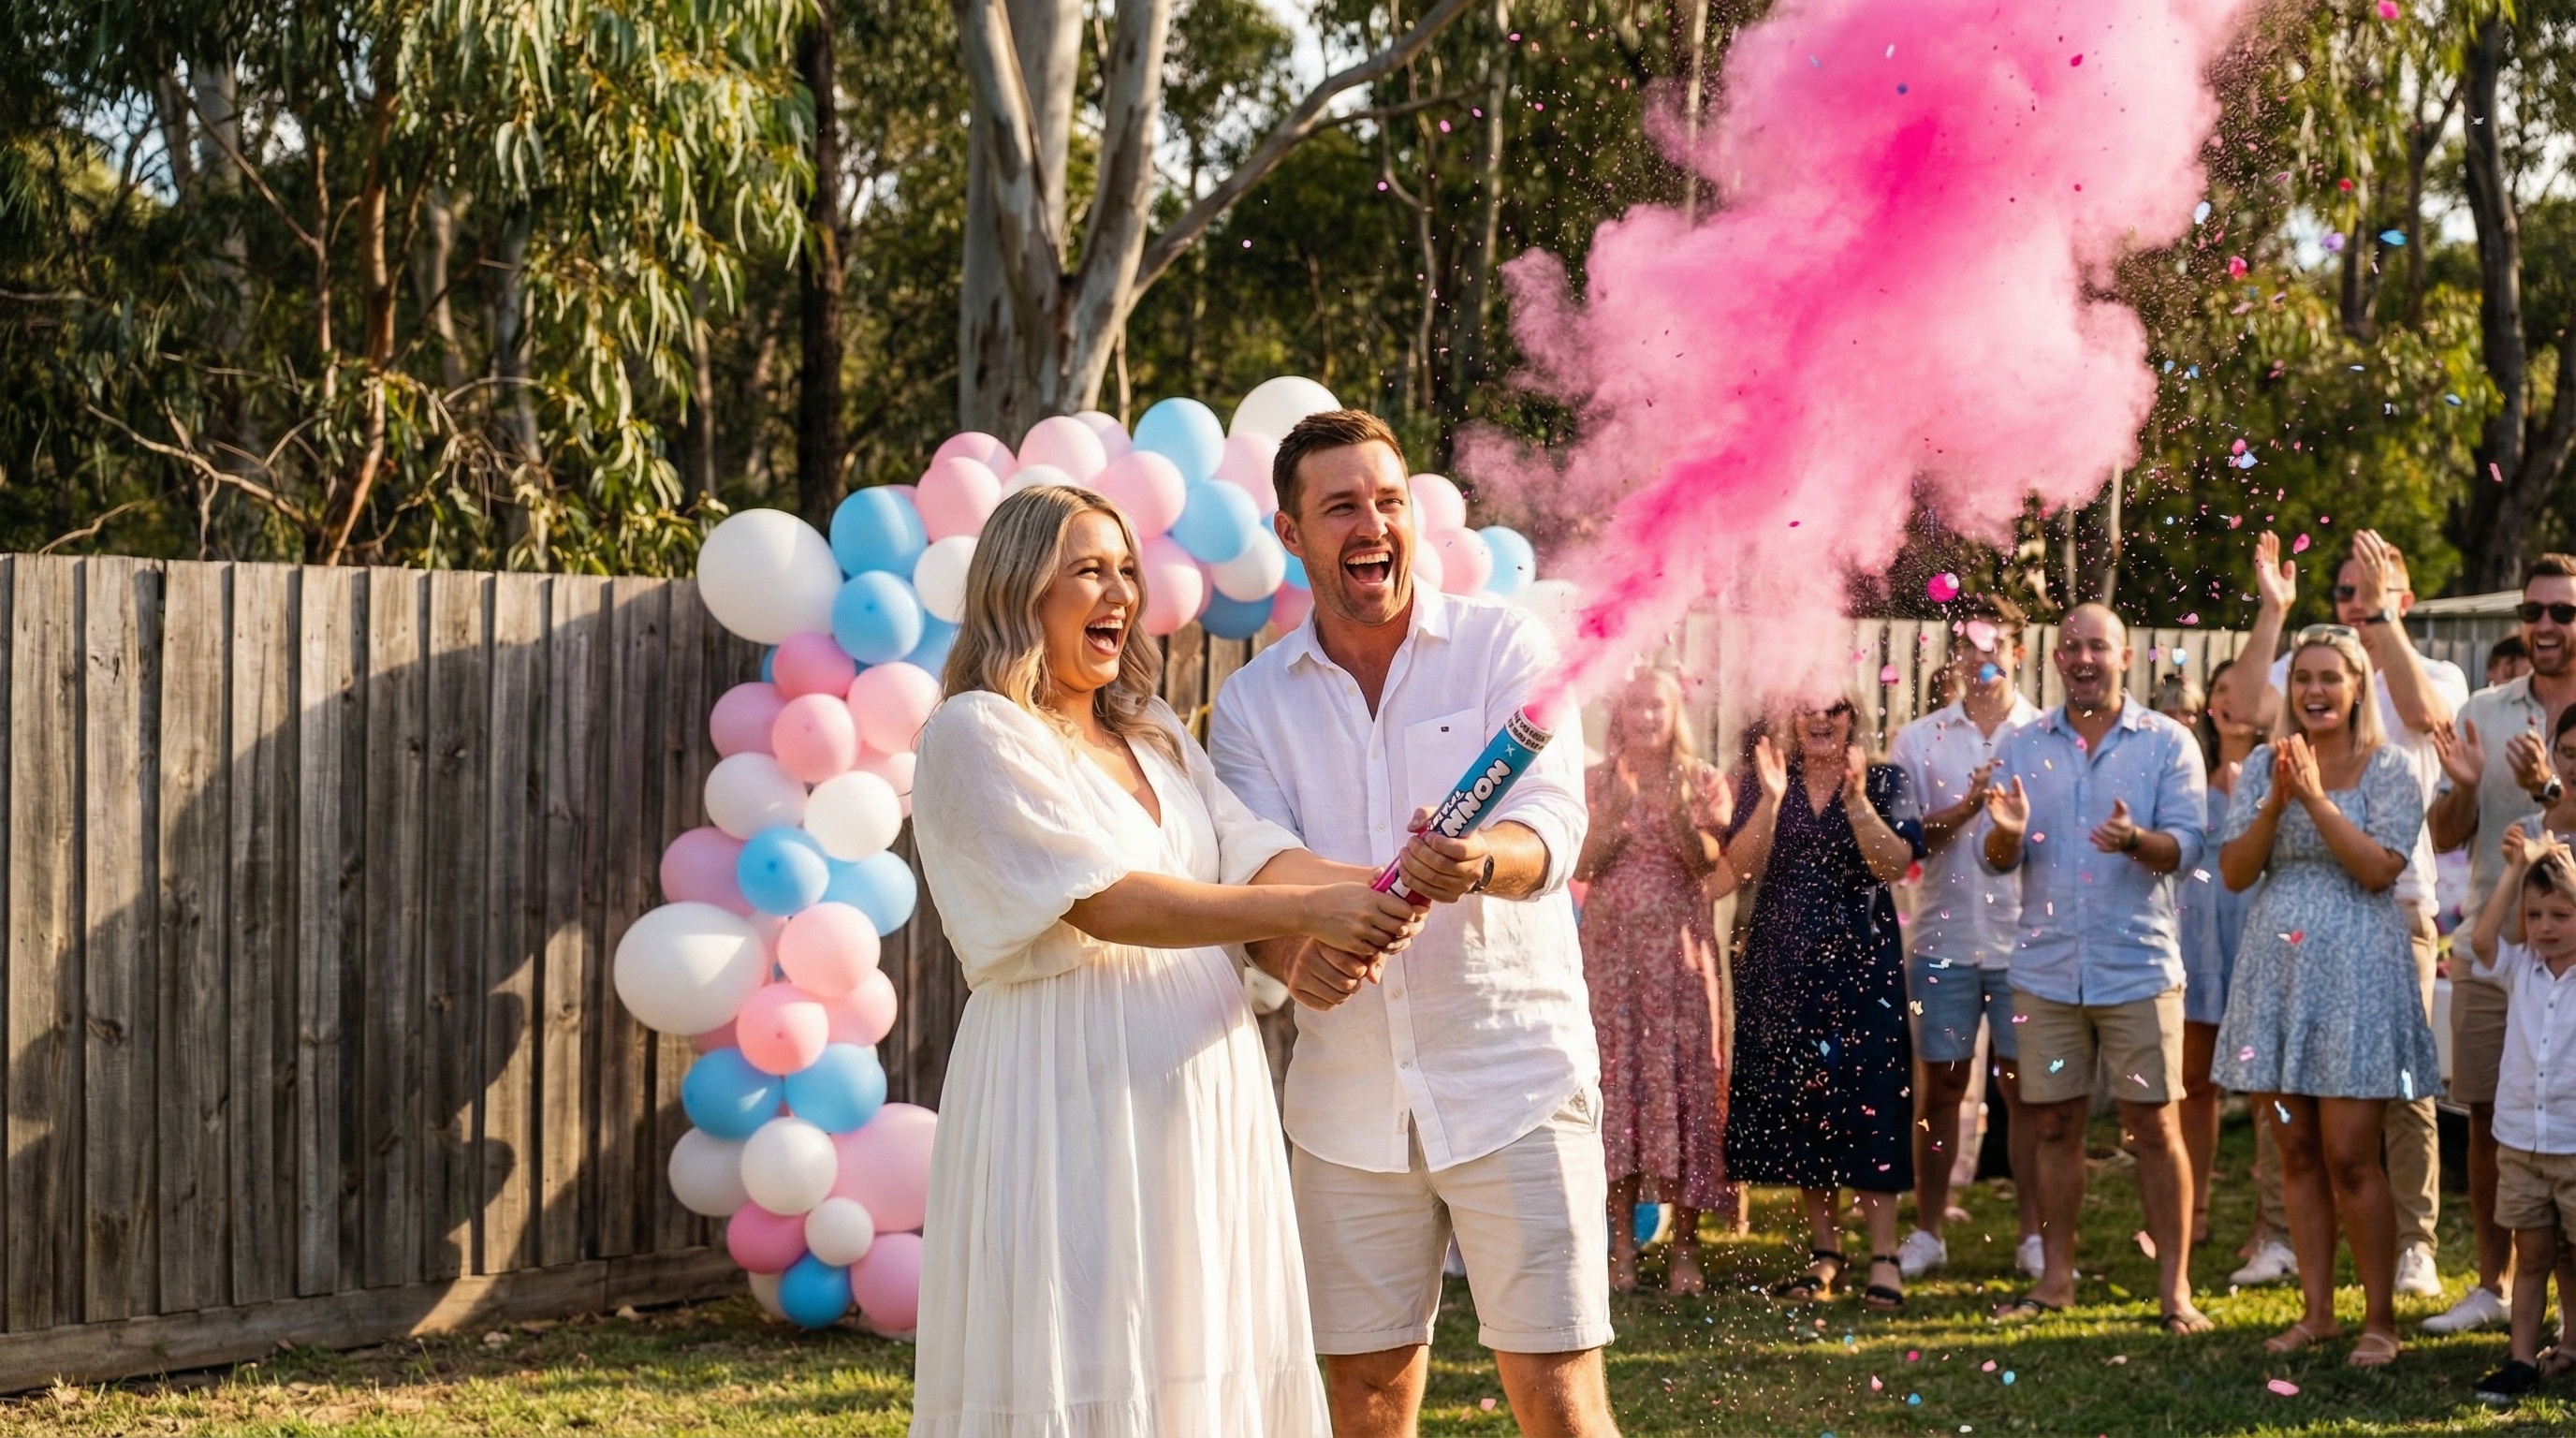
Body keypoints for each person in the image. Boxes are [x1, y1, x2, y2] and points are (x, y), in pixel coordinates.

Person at [907, 484, 1428, 1436]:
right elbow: (1106, 900)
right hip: (1065, 1083)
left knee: (1198, 1335)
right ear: (1021, 589)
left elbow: (1251, 853)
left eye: (1126, 571)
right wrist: (1317, 905)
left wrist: (1387, 876)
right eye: (1087, 571)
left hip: (1202, 1084)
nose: (1118, 593)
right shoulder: (976, 733)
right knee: (1088, 1328)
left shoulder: (1152, 734)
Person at [1208, 411, 1613, 1438]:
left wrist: (1481, 861)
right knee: (1363, 1404)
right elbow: (1250, 869)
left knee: (1559, 1405)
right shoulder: (1252, 705)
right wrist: (1292, 952)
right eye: (1340, 505)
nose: (1371, 523)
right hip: (1346, 1110)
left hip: (1512, 1081)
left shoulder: (1500, 645)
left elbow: (1550, 826)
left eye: (1388, 501)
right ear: (1291, 533)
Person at [2221, 530, 2466, 1299]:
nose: (2316, 688)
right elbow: (2251, 704)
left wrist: (2380, 615)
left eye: (2366, 592)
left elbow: (2426, 718)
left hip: (2391, 925)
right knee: (2296, 1129)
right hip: (2282, 953)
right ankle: (2299, 1268)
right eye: (2343, 595)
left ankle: (2412, 1249)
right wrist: (2273, 610)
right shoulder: (2274, 752)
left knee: (2396, 1102)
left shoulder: (2428, 677)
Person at [1982, 603, 2213, 1333]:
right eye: (2072, 647)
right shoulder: (2021, 745)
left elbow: (2187, 848)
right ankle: (2055, 1281)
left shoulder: (2168, 743)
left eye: (2099, 648)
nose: (2085, 659)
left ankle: (2173, 1291)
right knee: (2052, 1126)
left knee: (2153, 1125)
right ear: (2055, 660)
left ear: (2126, 657)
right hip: (2045, 970)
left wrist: (2135, 840)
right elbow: (1998, 859)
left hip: (2137, 967)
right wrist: (2006, 837)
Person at [2209, 626, 2437, 1367]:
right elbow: (2238, 872)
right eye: (2303, 677)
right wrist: (2278, 799)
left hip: (2358, 974)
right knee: (2296, 1148)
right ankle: (2318, 1313)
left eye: (2330, 678)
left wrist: (2315, 798)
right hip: (2278, 975)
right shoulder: (2262, 768)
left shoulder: (2392, 768)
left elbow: (2378, 871)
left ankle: (2380, 1319)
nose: (2314, 691)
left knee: (2350, 1154)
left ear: (2357, 685)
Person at [1722, 690, 1924, 1311]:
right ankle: (1825, 1252)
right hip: (1783, 967)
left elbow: (1895, 864)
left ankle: (1885, 1256)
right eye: (1806, 705)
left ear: (1852, 715)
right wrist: (1774, 800)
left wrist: (1858, 802)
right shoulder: (1762, 779)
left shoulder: (1886, 779)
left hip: (1863, 968)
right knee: (1806, 1103)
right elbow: (1741, 865)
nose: (1819, 717)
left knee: (1872, 1102)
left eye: (1833, 706)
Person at [2424, 553, 2576, 1337]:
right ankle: (2494, 1283)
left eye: (2563, 613)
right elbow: (2446, 836)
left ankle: (2567, 1311)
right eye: (2536, 611)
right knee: (2490, 1118)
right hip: (2493, 944)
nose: (2546, 626)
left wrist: (2552, 789)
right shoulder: (2484, 709)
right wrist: (2462, 785)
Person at [1886, 595, 2042, 1283]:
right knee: (1941, 1087)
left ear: (2019, 651)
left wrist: (2013, 825)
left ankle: (2034, 1235)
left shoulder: (2046, 735)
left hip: (2027, 943)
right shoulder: (1920, 740)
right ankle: (1927, 1229)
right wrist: (1969, 807)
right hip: (1942, 937)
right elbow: (1905, 845)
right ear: (1954, 653)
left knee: (2025, 1090)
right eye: (1969, 643)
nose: (1982, 656)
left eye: (1995, 643)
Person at [1577, 667, 1734, 1297]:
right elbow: (1582, 866)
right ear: (1619, 715)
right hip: (1611, 957)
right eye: (1635, 706)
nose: (1646, 717)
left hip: (1677, 957)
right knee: (1617, 1087)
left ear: (1676, 716)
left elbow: (1706, 865)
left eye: (1658, 707)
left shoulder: (1702, 782)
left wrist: (1675, 816)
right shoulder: (1595, 781)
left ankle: (1685, 1247)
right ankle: (1619, 1246)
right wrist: (1613, 818)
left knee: (1682, 1086)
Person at [2468, 829, 2576, 1407]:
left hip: (2574, 1143)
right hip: (2522, 1144)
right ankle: (2520, 1361)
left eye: (2561, 913)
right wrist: (2518, 867)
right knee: (2533, 1255)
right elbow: (2482, 937)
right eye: (2535, 915)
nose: (2545, 927)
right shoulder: (2522, 970)